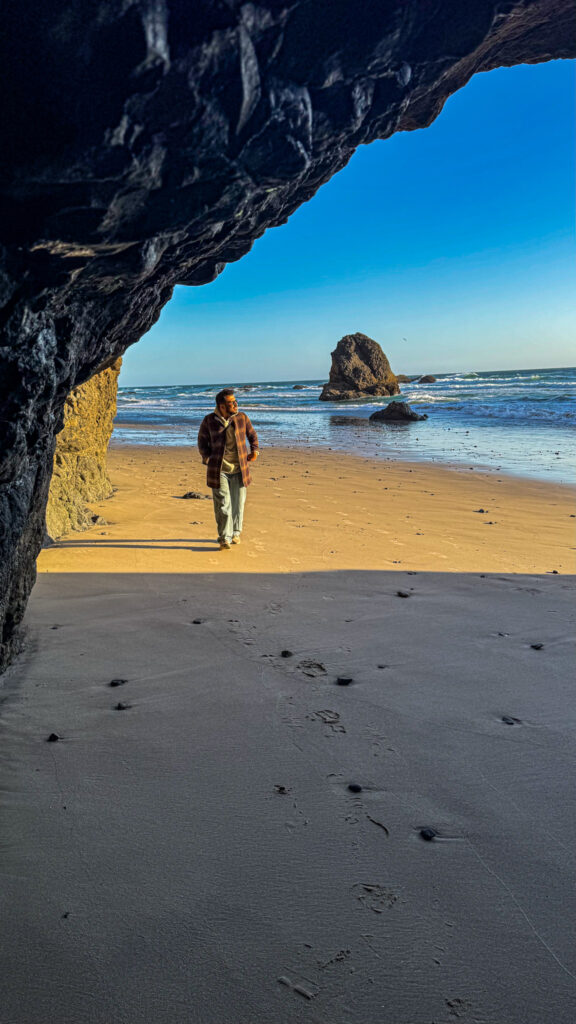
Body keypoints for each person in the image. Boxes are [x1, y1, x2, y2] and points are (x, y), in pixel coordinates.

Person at [197, 388, 260, 550]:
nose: (236, 404)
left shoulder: (242, 418)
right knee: (223, 504)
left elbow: (252, 435)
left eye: (235, 401)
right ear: (222, 406)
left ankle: (236, 533)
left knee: (238, 503)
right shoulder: (209, 420)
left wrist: (255, 450)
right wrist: (208, 458)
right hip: (219, 470)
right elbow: (202, 442)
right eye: (232, 402)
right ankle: (224, 537)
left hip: (240, 468)